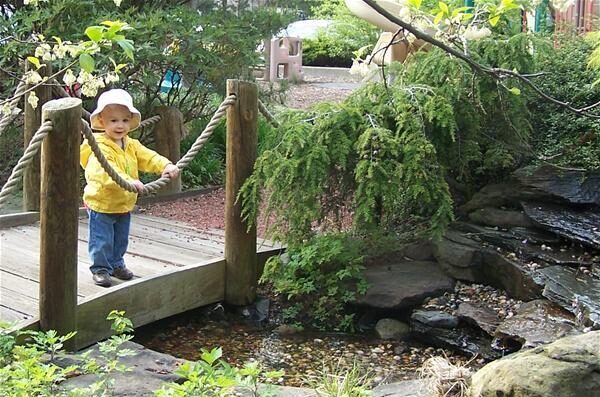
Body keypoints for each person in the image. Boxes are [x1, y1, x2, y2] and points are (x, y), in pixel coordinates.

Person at [80, 89, 179, 287]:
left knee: (120, 239)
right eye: (114, 120)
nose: (120, 125)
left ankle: (117, 264)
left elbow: (148, 156)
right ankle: (100, 269)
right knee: (102, 240)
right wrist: (128, 180)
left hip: (124, 204)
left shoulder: (131, 144)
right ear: (102, 120)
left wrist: (165, 165)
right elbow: (105, 170)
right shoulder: (98, 146)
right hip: (102, 203)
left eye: (125, 120)